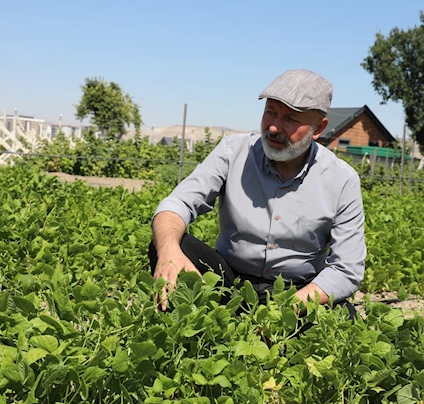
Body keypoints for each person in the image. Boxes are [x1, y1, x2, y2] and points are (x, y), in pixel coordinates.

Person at [149, 69, 366, 316]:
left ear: (318, 128)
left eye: (290, 119)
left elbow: (347, 268)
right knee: (172, 244)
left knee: (342, 320)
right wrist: (168, 252)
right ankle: (186, 337)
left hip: (297, 291)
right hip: (228, 282)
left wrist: (286, 311)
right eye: (270, 112)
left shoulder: (342, 179)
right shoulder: (233, 152)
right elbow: (177, 204)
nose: (274, 127)